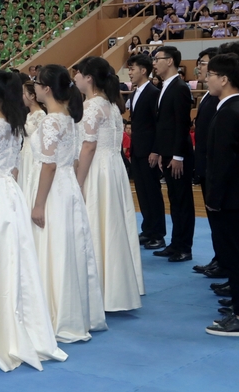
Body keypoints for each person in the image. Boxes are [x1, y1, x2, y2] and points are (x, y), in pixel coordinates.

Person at [0, 70, 68, 371]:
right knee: (14, 261)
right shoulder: (13, 123)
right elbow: (14, 168)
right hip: (11, 194)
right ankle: (15, 328)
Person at [30, 64, 106, 342]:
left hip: (53, 188)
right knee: (66, 247)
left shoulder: (52, 120)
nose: (34, 87)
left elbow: (48, 166)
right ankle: (69, 310)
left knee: (55, 247)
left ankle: (57, 311)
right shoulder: (69, 117)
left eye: (37, 83)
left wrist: (38, 204)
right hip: (67, 186)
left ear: (46, 88)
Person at [73, 57, 145, 313]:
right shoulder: (112, 105)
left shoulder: (93, 106)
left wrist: (78, 180)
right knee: (113, 224)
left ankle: (99, 286)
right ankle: (115, 284)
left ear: (89, 77)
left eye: (78, 74)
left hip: (98, 171)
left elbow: (89, 146)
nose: (75, 78)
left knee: (97, 222)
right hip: (113, 168)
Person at [203, 52, 239, 337]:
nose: (206, 79)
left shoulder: (230, 111)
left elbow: (223, 162)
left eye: (210, 75)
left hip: (232, 198)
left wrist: (213, 199)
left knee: (237, 258)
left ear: (224, 79)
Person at [150, 46, 195, 263]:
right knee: (174, 200)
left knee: (182, 200)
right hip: (167, 153)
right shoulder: (165, 87)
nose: (154, 63)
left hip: (178, 155)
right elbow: (163, 125)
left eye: (157, 59)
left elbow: (181, 124)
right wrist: (160, 152)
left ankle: (184, 247)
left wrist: (178, 155)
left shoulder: (179, 87)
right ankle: (175, 243)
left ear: (169, 61)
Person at [125, 53, 165, 250]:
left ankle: (158, 233)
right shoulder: (135, 93)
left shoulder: (153, 92)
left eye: (132, 69)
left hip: (149, 150)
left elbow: (157, 125)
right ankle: (148, 229)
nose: (130, 73)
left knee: (152, 192)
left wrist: (156, 150)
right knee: (142, 192)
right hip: (137, 149)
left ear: (143, 70)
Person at [191, 49, 224, 278]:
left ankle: (224, 260)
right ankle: (218, 256)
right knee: (213, 219)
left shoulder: (219, 99)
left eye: (203, 64)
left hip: (213, 167)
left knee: (220, 219)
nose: (199, 68)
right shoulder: (207, 96)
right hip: (203, 165)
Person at [18, 79, 46, 210]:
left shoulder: (40, 115)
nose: (22, 96)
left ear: (32, 96)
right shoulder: (29, 114)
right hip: (25, 152)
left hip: (34, 154)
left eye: (24, 93)